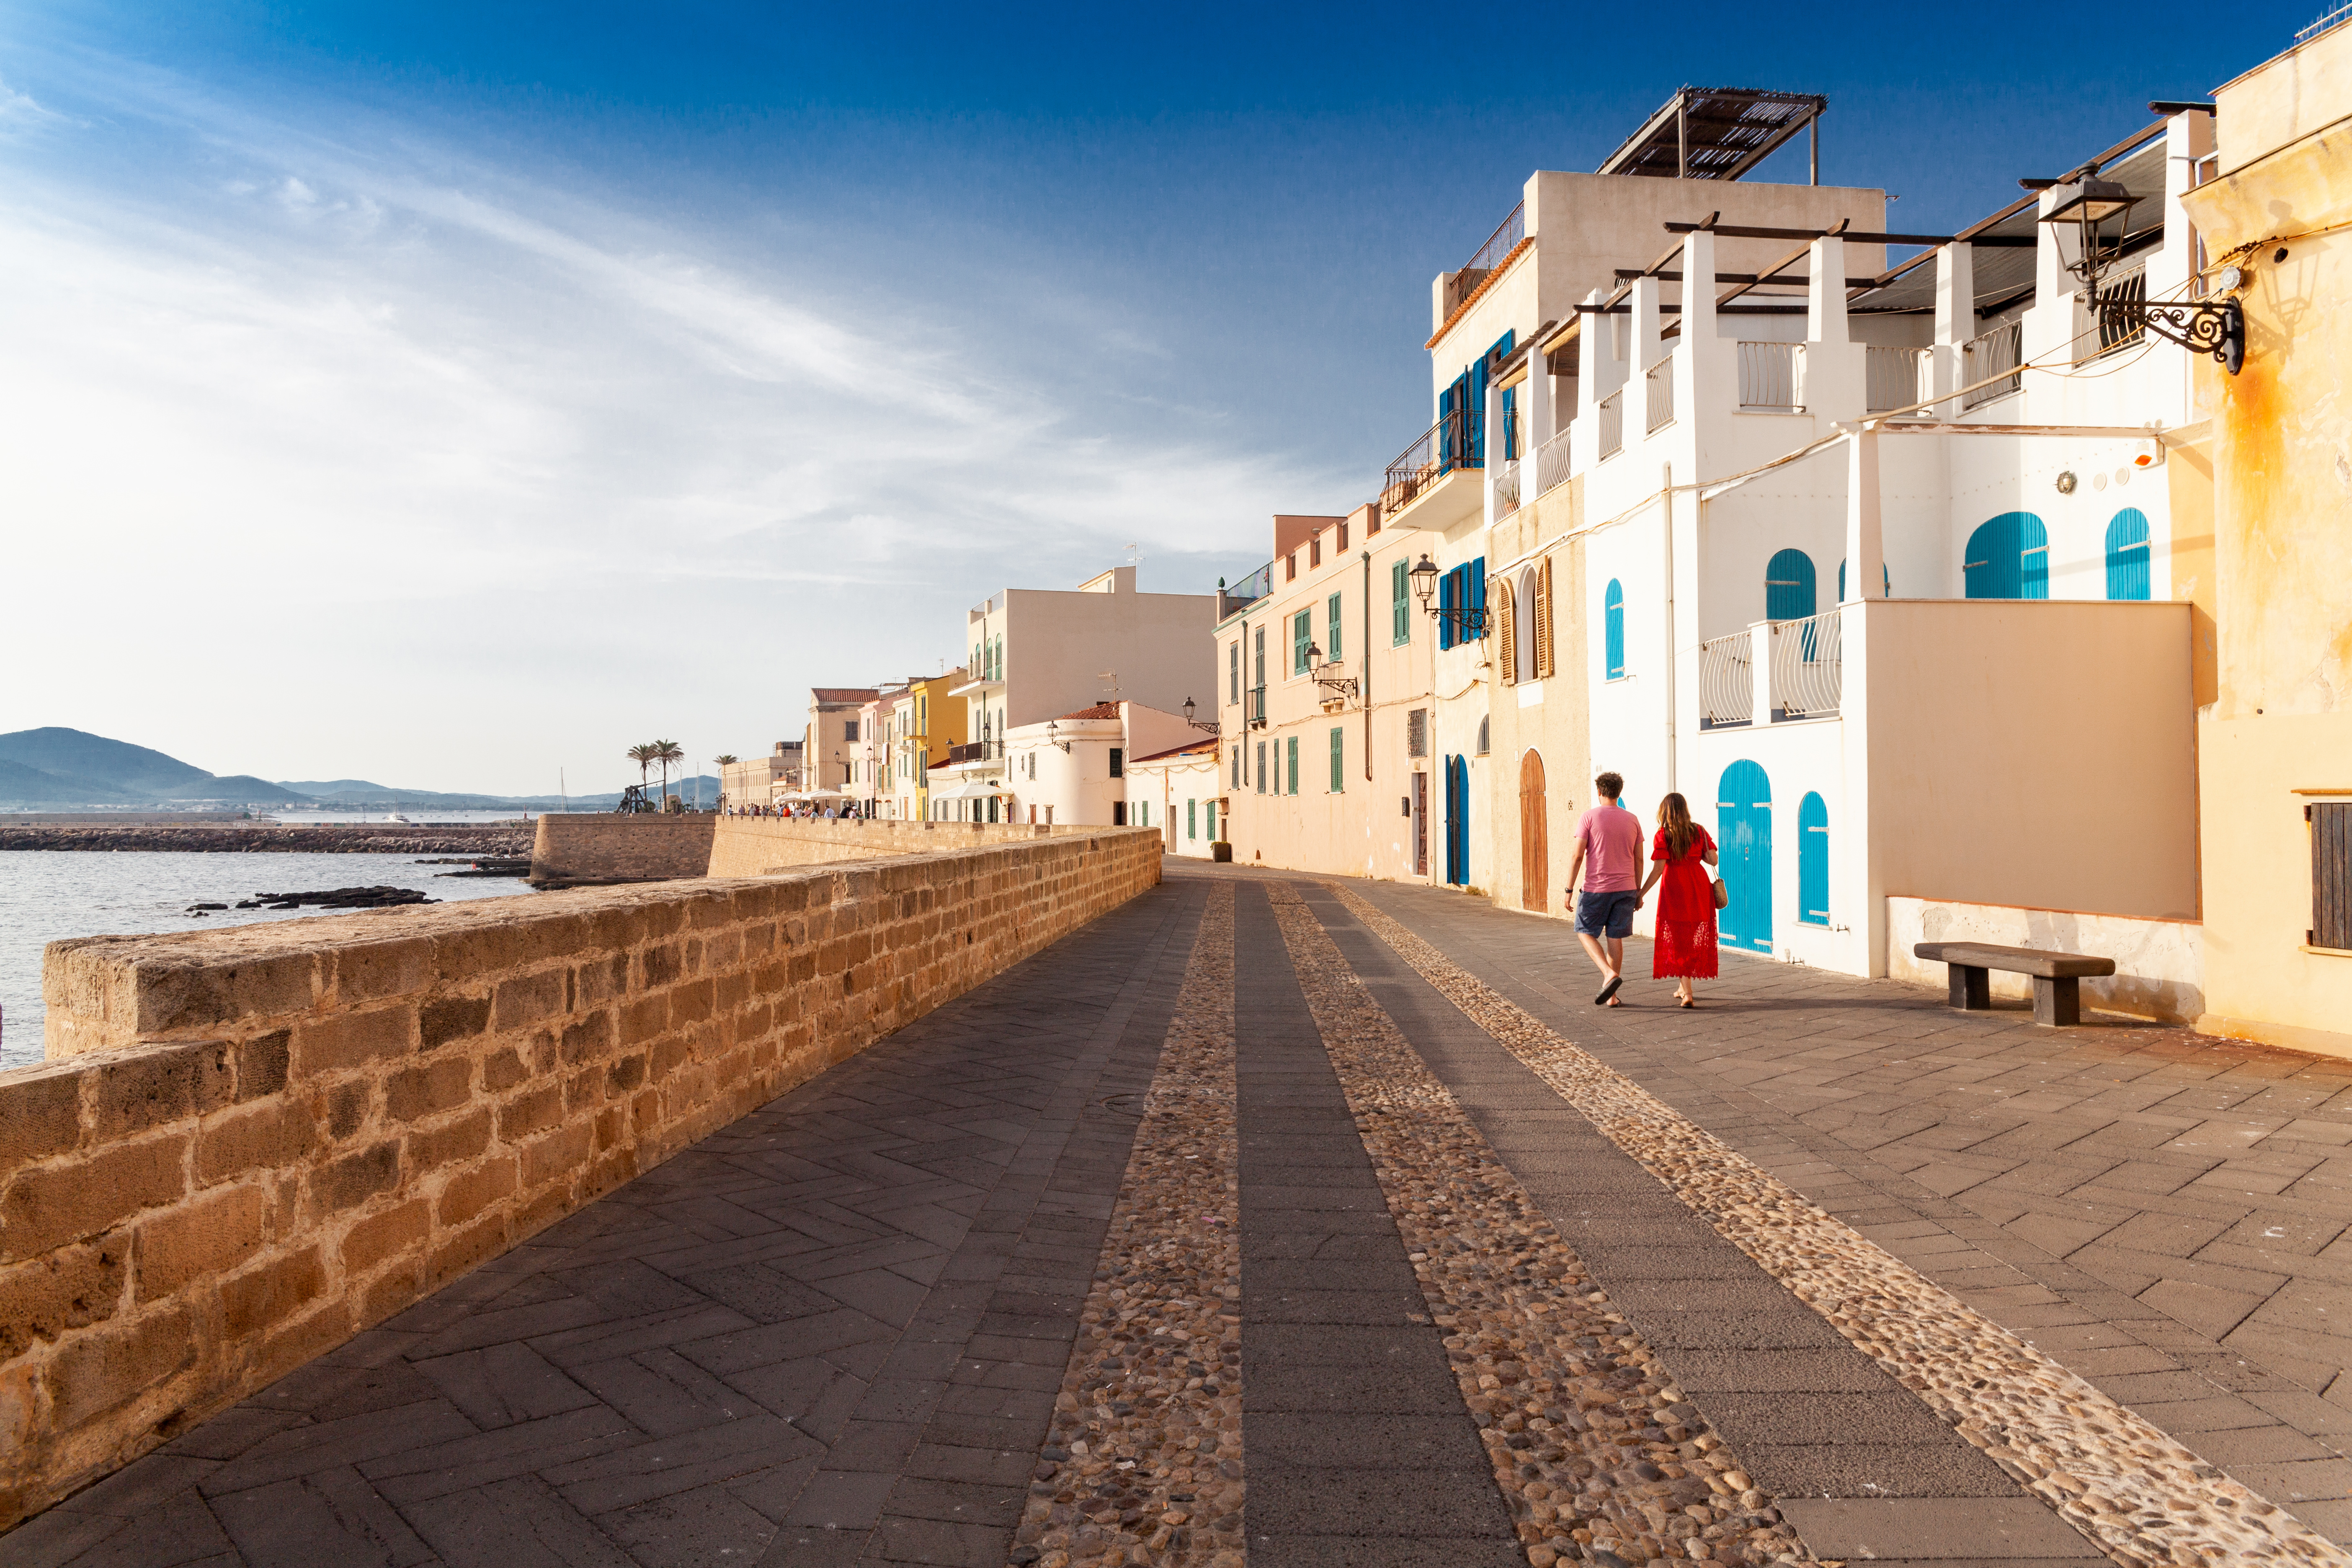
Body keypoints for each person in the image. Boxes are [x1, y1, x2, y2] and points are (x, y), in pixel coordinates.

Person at [1564, 771, 1645, 1005]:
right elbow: (1639, 860)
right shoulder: (1632, 819)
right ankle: (1613, 996)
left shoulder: (1588, 817)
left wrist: (1569, 890)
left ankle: (1608, 974)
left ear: (1599, 792)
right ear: (1619, 793)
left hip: (1597, 888)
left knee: (1584, 931)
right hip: (1626, 888)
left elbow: (1578, 855)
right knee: (1615, 936)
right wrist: (1637, 891)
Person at [1637, 792, 1719, 1007]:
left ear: (1665, 811)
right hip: (1698, 885)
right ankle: (1684, 986)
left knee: (1680, 940)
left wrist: (1641, 893)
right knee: (1690, 937)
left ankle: (1688, 993)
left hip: (1675, 887)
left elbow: (1658, 869)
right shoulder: (1699, 831)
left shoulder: (1664, 835)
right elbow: (1714, 860)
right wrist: (1700, 849)